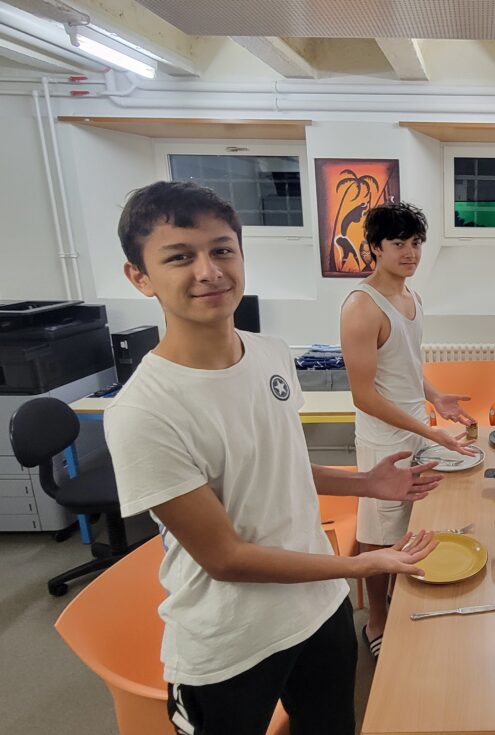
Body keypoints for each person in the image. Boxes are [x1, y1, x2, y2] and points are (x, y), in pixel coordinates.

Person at [104, 181, 440, 735]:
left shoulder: (271, 354)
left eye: (222, 250)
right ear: (139, 277)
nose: (209, 271)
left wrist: (367, 483)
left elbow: (275, 468)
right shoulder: (144, 410)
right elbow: (227, 558)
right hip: (232, 641)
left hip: (320, 610)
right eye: (180, 257)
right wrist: (362, 565)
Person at [339, 202, 475, 658]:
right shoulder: (361, 307)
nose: (410, 252)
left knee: (414, 521)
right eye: (398, 243)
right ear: (375, 248)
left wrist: (435, 397)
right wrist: (431, 431)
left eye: (416, 243)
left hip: (416, 426)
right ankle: (376, 620)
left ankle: (402, 603)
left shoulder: (411, 297)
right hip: (383, 438)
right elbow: (364, 396)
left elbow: (406, 364)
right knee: (379, 530)